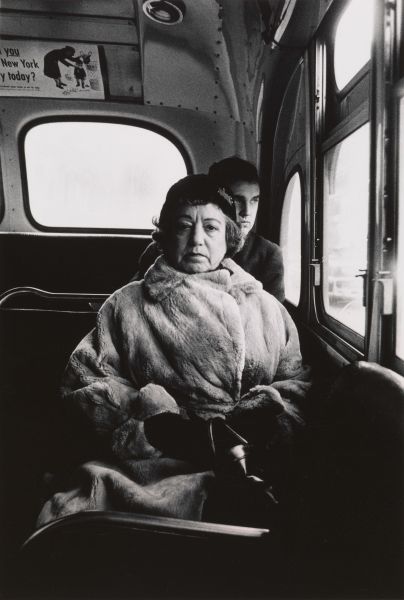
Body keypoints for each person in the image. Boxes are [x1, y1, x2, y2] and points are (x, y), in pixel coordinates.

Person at [37, 174, 309, 528]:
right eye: (184, 226)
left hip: (248, 459)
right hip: (151, 465)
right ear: (164, 236)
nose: (197, 239)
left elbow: (298, 383)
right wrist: (156, 427)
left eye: (211, 228)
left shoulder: (264, 306)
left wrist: (261, 417)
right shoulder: (127, 304)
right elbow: (84, 382)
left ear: (229, 238)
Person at [133, 157, 285, 302]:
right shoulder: (160, 250)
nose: (247, 212)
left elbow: (271, 318)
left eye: (254, 200)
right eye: (237, 200)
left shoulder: (268, 255)